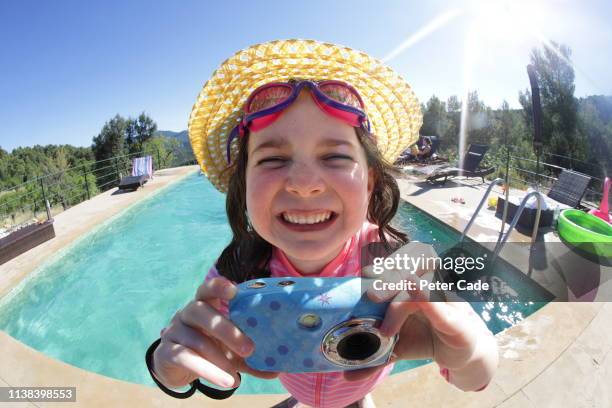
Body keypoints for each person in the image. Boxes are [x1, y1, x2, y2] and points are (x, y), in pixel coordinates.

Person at [146, 39, 498, 408]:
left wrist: (470, 352)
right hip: (300, 393)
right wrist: (166, 365)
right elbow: (192, 347)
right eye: (272, 159)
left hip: (359, 388)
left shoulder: (397, 263)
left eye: (334, 155)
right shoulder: (238, 272)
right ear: (244, 185)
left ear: (370, 183)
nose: (304, 183)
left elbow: (478, 375)